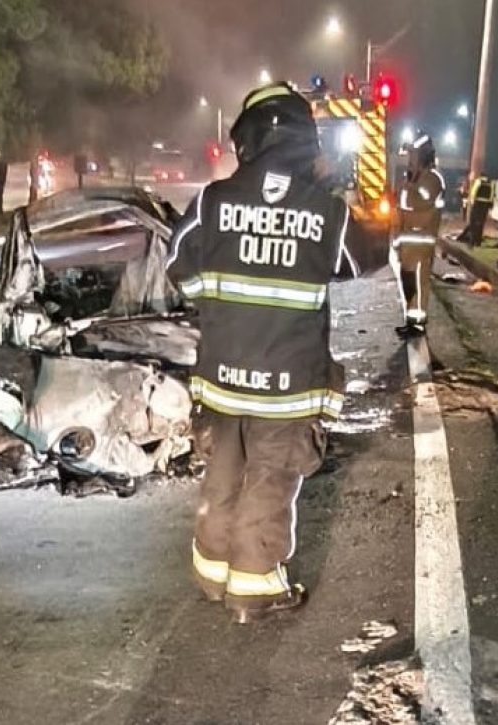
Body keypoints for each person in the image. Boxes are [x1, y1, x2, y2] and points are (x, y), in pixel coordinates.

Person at [166, 82, 370, 624]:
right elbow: (364, 260)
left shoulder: (213, 200)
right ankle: (253, 590)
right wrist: (328, 193)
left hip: (223, 379)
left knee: (224, 474)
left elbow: (176, 262)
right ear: (305, 139)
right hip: (288, 384)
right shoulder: (326, 211)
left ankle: (212, 575)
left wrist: (215, 305)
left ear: (248, 139)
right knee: (271, 479)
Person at [391, 133, 445, 334]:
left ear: (422, 156)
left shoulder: (432, 179)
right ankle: (411, 319)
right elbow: (401, 207)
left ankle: (418, 322)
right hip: (407, 243)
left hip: (421, 243)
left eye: (413, 155)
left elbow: (418, 202)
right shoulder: (414, 179)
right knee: (408, 284)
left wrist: (410, 185)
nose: (410, 159)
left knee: (419, 284)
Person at [464, 174, 494, 246]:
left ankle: (472, 241)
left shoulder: (479, 181)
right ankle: (478, 241)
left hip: (477, 204)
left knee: (473, 223)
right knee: (481, 223)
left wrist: (472, 202)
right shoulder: (490, 183)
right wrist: (490, 203)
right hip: (485, 205)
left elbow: (474, 192)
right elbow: (492, 194)